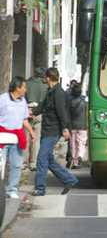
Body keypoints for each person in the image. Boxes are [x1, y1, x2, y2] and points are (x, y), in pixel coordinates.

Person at [32, 68, 78, 196]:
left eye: (45, 77)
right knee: (49, 159)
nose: (44, 79)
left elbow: (62, 112)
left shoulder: (58, 93)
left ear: (48, 78)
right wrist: (32, 112)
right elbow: (43, 106)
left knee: (41, 159)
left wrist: (64, 128)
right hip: (47, 130)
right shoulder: (51, 91)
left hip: (53, 130)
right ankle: (70, 180)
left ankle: (40, 189)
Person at [0, 77, 36, 199]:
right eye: (24, 87)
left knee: (16, 165)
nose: (25, 90)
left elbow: (24, 119)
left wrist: (31, 131)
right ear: (17, 87)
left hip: (16, 137)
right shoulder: (3, 99)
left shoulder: (23, 101)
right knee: (1, 165)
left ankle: (12, 189)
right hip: (2, 137)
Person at [25, 67, 47, 171]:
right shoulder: (45, 86)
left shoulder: (27, 83)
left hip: (27, 111)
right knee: (36, 139)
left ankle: (23, 162)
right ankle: (33, 163)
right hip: (39, 113)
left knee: (25, 138)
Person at [68, 83, 87, 169]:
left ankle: (74, 160)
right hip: (82, 125)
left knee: (73, 144)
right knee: (81, 143)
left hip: (72, 125)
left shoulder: (70, 102)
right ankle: (80, 156)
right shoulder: (84, 102)